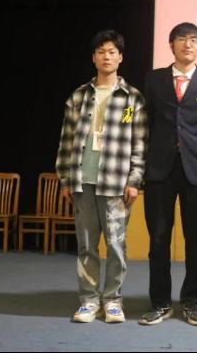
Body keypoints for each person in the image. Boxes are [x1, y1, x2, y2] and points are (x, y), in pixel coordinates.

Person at [55, 29, 147, 323]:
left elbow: (139, 143)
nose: (106, 57)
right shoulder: (78, 96)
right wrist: (66, 179)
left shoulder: (132, 98)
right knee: (86, 246)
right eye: (101, 52)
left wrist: (134, 180)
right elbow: (66, 141)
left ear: (120, 58)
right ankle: (89, 300)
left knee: (117, 247)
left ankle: (113, 300)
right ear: (93, 58)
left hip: (116, 184)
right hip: (83, 181)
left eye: (112, 52)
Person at [139, 22, 197, 327]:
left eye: (194, 40)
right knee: (158, 238)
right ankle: (160, 302)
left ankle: (194, 301)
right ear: (171, 44)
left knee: (195, 238)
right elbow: (141, 120)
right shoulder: (154, 79)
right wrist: (140, 164)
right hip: (159, 169)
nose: (188, 44)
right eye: (182, 39)